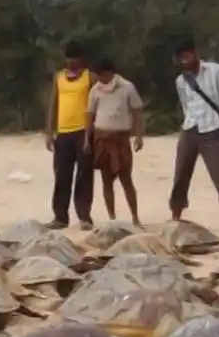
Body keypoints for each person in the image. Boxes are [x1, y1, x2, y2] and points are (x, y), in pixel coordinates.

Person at [171, 38, 219, 247]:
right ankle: (174, 223)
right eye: (180, 58)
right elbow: (186, 107)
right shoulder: (180, 81)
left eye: (186, 55)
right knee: (180, 178)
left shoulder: (215, 71)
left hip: (211, 130)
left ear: (195, 52)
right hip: (189, 129)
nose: (184, 60)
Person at [84, 57, 144, 226]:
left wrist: (139, 136)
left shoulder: (127, 87)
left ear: (109, 73)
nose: (99, 78)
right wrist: (87, 140)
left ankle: (135, 217)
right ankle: (112, 218)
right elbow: (90, 115)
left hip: (120, 138)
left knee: (126, 179)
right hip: (102, 138)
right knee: (106, 181)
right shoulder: (95, 89)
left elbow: (137, 113)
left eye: (101, 75)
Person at [44, 41, 95, 231]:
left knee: (84, 175)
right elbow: (53, 104)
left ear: (82, 59)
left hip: (83, 131)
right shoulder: (59, 78)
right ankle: (60, 217)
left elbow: (97, 103)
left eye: (75, 58)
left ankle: (84, 216)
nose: (71, 62)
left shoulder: (90, 78)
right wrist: (49, 132)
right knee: (61, 175)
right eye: (68, 58)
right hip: (63, 132)